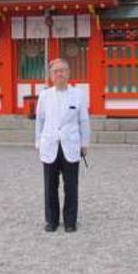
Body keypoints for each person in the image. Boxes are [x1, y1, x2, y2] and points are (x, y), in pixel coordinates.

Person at [34, 58, 91, 233]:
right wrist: (38, 141)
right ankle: (51, 220)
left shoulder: (78, 94)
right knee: (50, 185)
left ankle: (70, 221)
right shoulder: (44, 95)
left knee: (71, 185)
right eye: (56, 71)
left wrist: (84, 143)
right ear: (51, 75)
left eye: (63, 70)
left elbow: (84, 120)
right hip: (50, 143)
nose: (60, 73)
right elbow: (40, 120)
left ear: (68, 73)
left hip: (71, 144)